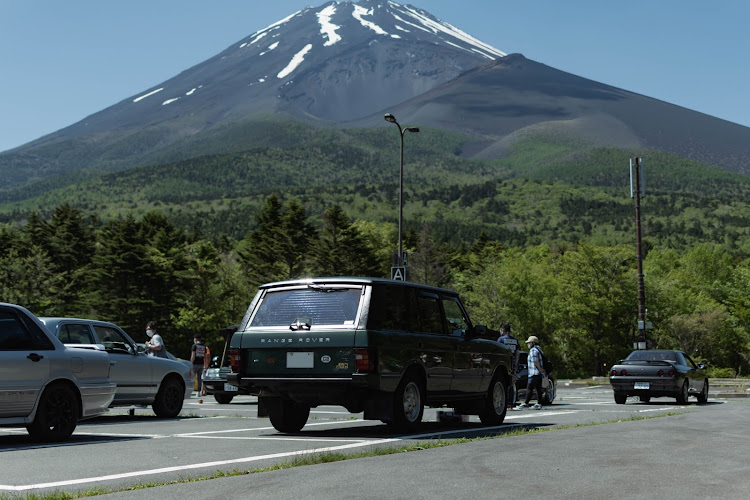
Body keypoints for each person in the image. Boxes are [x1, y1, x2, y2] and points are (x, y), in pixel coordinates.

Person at [514, 335, 546, 410]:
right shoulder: (539, 349)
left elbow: (535, 361)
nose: (528, 344)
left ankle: (527, 403)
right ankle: (538, 403)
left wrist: (540, 369)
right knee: (537, 389)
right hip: (537, 373)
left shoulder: (533, 350)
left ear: (532, 343)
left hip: (534, 372)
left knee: (530, 388)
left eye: (529, 343)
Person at [497, 323, 520, 406]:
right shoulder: (515, 340)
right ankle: (510, 402)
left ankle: (503, 402)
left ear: (502, 330)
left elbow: (498, 352)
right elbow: (517, 353)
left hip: (504, 365)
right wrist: (515, 365)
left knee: (503, 383)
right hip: (512, 365)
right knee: (511, 384)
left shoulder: (501, 339)